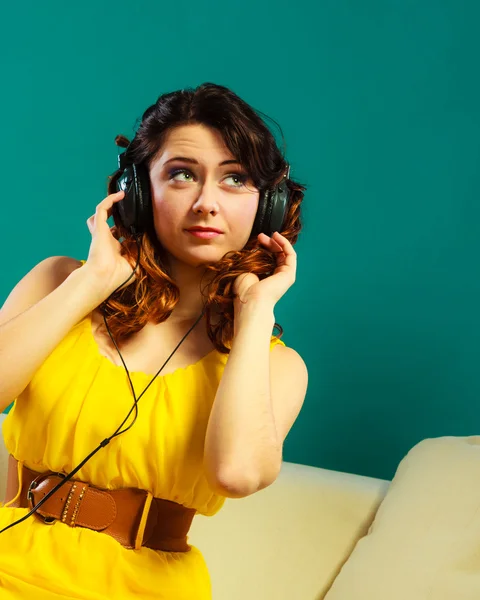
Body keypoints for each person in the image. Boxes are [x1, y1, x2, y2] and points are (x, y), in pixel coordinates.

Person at [0, 82, 308, 598]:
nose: (207, 203)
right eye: (182, 175)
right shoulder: (60, 283)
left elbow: (235, 474)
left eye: (235, 179)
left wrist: (255, 314)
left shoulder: (277, 367)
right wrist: (92, 283)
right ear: (139, 191)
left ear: (268, 207)